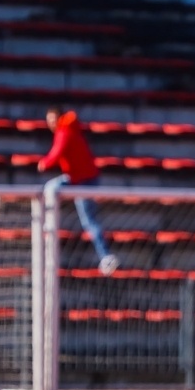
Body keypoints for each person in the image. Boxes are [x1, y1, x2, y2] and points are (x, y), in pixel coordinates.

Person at [39, 107, 118, 277]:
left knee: (89, 220)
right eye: (48, 121)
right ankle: (46, 223)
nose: (50, 124)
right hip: (77, 178)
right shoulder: (68, 129)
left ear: (59, 118)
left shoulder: (64, 131)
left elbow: (57, 151)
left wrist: (44, 163)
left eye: (53, 120)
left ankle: (106, 255)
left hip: (83, 181)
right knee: (51, 188)